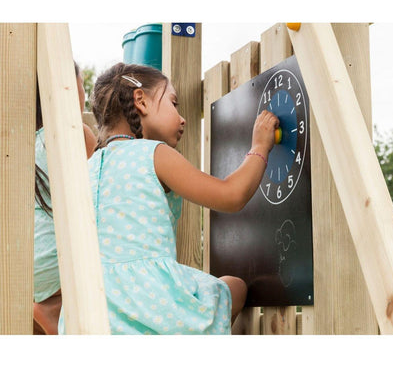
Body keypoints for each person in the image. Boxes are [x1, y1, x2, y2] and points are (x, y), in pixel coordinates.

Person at [58, 62, 279, 335]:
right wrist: (259, 147)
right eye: (174, 103)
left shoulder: (86, 168)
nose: (182, 117)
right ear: (141, 101)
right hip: (150, 304)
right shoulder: (154, 153)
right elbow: (231, 195)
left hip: (87, 309)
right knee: (234, 287)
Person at [33, 61, 97, 335]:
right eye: (83, 84)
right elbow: (98, 193)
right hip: (55, 266)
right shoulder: (74, 134)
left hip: (28, 265)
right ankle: (50, 309)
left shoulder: (23, 142)